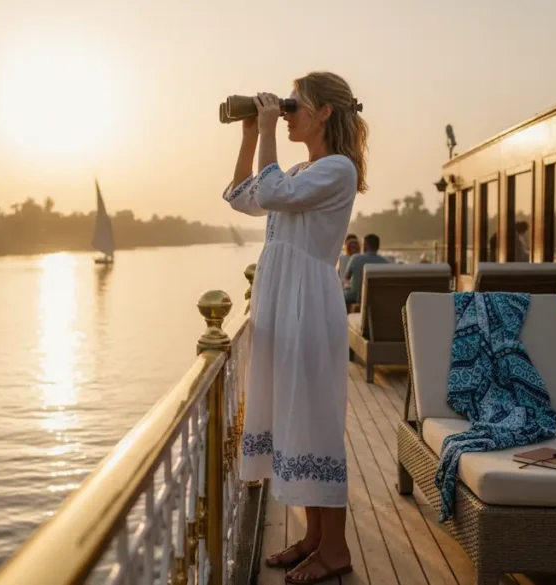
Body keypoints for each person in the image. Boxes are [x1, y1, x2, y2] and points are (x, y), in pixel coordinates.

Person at [221, 71, 367, 584]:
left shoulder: (338, 169)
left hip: (308, 304)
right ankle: (313, 538)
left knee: (316, 423)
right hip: (284, 303)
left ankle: (337, 550)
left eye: (294, 107)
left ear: (324, 112)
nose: (286, 116)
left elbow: (275, 192)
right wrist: (248, 136)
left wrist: (265, 134)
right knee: (293, 419)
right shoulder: (305, 168)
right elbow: (245, 197)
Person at [343, 234, 390, 305]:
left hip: (355, 297)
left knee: (339, 295)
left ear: (365, 245)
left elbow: (346, 278)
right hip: (376, 299)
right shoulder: (386, 262)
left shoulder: (355, 258)